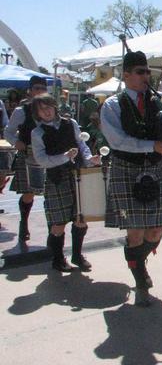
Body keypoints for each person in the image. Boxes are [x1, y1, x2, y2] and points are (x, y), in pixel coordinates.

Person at [101, 51, 162, 306]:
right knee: (136, 232)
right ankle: (140, 279)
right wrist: (153, 146)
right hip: (126, 168)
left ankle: (134, 259)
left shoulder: (161, 100)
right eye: (140, 72)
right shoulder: (113, 105)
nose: (146, 76)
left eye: (147, 71)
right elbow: (117, 141)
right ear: (126, 75)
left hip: (153, 169)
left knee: (155, 231)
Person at [30, 94, 101, 271]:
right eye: (41, 109)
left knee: (81, 217)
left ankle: (77, 255)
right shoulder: (37, 133)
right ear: (37, 112)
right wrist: (64, 157)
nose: (46, 111)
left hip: (78, 176)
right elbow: (42, 160)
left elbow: (81, 146)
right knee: (58, 223)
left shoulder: (71, 124)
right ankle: (58, 259)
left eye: (48, 107)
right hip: (56, 179)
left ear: (55, 106)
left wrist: (89, 158)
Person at [5, 76, 50, 242]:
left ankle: (53, 231)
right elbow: (9, 132)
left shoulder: (52, 109)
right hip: (29, 155)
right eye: (36, 88)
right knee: (29, 193)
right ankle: (23, 223)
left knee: (51, 193)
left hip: (50, 155)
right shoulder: (21, 111)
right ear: (30, 91)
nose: (39, 91)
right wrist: (16, 142)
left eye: (42, 88)